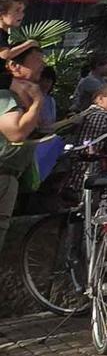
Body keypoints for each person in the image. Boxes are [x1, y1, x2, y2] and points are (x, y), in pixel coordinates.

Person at [0, 45, 57, 249]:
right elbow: (16, 132)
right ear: (14, 65)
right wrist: (38, 102)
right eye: (37, 60)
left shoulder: (20, 97)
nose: (43, 65)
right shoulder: (5, 95)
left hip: (11, 175)